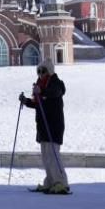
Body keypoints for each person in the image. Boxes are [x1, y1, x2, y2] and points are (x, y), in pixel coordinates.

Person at [19, 59, 69, 195]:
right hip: (42, 125)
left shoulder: (55, 83)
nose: (41, 74)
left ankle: (62, 183)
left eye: (44, 70)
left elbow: (53, 93)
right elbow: (38, 105)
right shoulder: (41, 85)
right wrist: (26, 100)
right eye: (39, 71)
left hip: (53, 125)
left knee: (53, 155)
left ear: (50, 71)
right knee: (46, 156)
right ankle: (51, 182)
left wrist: (40, 91)